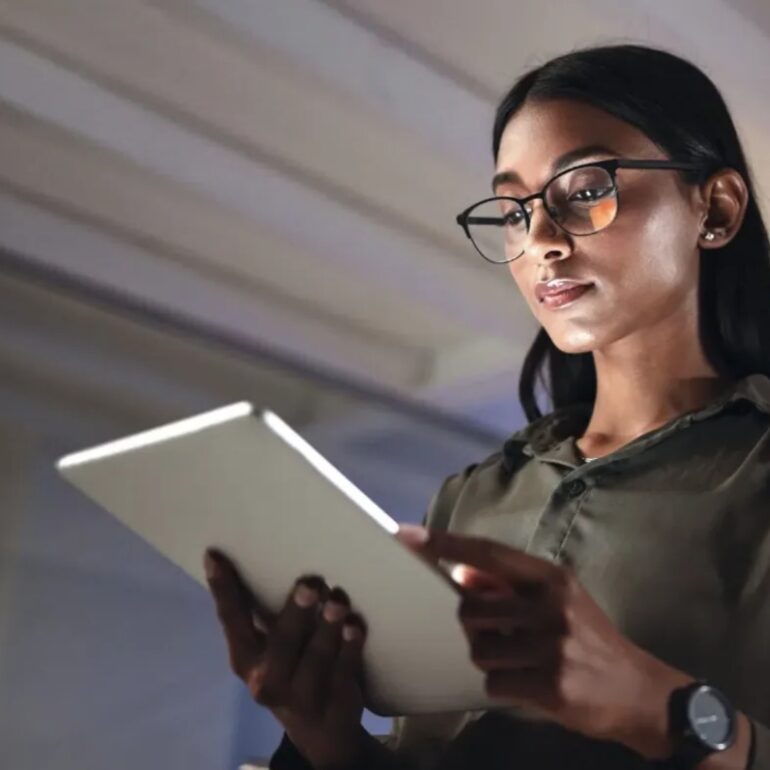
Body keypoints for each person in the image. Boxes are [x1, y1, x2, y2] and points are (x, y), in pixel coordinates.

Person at [203, 43, 770, 769]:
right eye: (513, 209)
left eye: (586, 187)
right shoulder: (471, 497)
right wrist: (329, 735)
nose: (539, 240)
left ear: (714, 208)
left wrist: (653, 705)